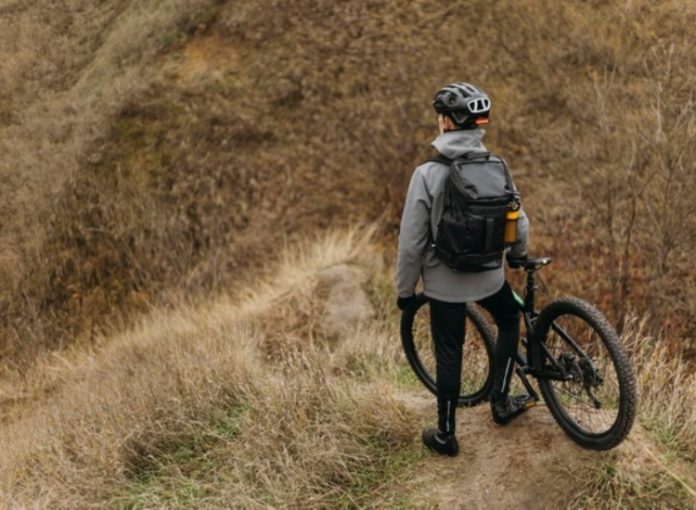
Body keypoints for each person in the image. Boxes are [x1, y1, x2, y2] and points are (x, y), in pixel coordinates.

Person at [395, 82, 532, 457]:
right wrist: (517, 254)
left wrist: (405, 292)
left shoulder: (427, 174)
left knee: (449, 350)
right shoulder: (497, 165)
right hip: (490, 276)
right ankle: (501, 402)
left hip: (444, 284)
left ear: (446, 122)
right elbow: (518, 221)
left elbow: (411, 243)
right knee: (508, 318)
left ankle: (446, 434)